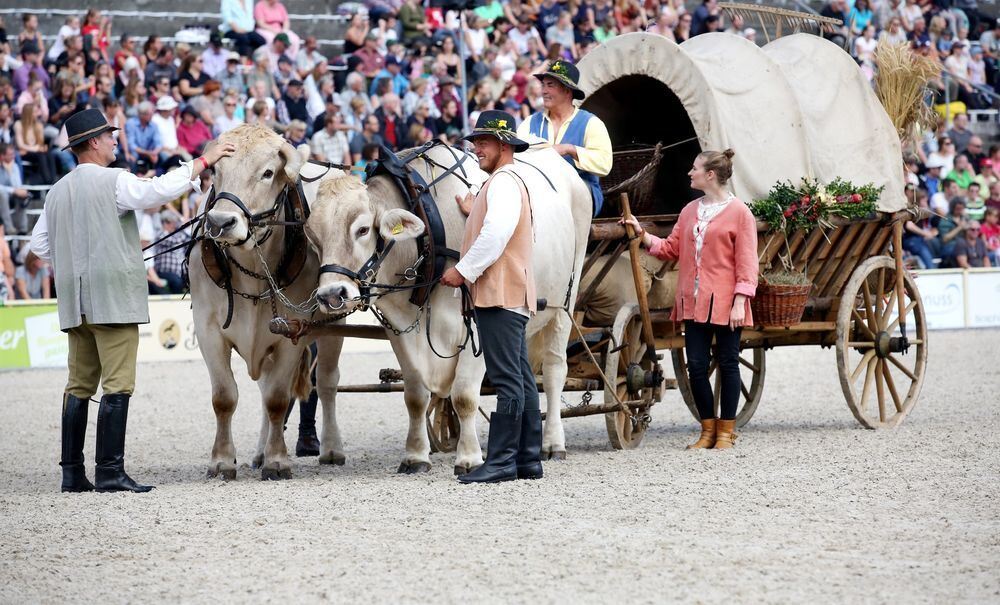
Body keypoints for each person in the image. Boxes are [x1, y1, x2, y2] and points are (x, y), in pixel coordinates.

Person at [29, 108, 236, 493]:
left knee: (78, 385)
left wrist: (79, 260)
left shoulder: (58, 189)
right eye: (109, 136)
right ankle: (110, 471)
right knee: (118, 384)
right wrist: (203, 160)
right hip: (112, 295)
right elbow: (155, 191)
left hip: (75, 299)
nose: (114, 140)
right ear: (93, 142)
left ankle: (72, 473)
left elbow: (40, 245)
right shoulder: (114, 180)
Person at [623, 149, 757, 450]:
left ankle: (726, 432)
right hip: (694, 302)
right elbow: (671, 248)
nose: (689, 173)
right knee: (695, 366)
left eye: (694, 168)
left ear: (710, 175)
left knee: (728, 363)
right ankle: (707, 430)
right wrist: (641, 233)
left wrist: (740, 300)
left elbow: (747, 262)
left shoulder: (740, 213)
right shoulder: (689, 211)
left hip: (725, 301)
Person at [440, 111, 542, 483]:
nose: (476, 148)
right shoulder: (505, 182)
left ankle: (501, 461)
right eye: (475, 143)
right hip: (512, 291)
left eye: (483, 142)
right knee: (521, 376)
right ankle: (528, 459)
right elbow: (496, 224)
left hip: (499, 293)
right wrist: (473, 212)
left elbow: (497, 234)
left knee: (506, 379)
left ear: (503, 144)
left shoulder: (501, 183)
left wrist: (462, 271)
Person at [517, 59, 612, 216]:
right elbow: (516, 159)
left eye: (550, 85)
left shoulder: (591, 123)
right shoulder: (530, 123)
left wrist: (570, 149)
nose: (544, 91)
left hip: (583, 195)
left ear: (567, 91)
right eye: (543, 85)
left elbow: (604, 164)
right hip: (538, 193)